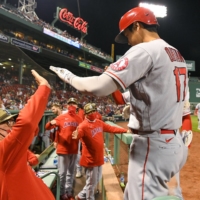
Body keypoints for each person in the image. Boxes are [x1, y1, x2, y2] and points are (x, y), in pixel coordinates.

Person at [50, 6, 189, 199]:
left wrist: (69, 77)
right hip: (174, 145)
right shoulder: (177, 54)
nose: (128, 41)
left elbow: (99, 87)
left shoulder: (145, 50)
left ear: (138, 26)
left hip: (153, 146)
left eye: (127, 34)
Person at [0, 70, 55, 200]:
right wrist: (44, 88)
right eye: (7, 123)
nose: (11, 126)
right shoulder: (4, 152)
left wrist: (31, 158)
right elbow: (26, 123)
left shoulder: (8, 152)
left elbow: (29, 131)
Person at [72, 103, 128, 200]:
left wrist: (124, 130)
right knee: (91, 183)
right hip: (90, 159)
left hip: (98, 156)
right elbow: (79, 133)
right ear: (85, 114)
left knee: (96, 179)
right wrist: (77, 135)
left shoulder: (98, 122)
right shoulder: (83, 126)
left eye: (94, 111)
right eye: (90, 112)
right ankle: (89, 198)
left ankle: (80, 196)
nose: (93, 113)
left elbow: (110, 128)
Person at [45, 97, 82, 200]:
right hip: (63, 150)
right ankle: (62, 193)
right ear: (67, 105)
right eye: (70, 104)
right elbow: (47, 127)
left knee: (71, 173)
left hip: (74, 149)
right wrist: (50, 123)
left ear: (76, 106)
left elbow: (83, 132)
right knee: (62, 174)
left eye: (73, 104)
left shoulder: (79, 118)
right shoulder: (61, 117)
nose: (71, 106)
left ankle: (69, 192)